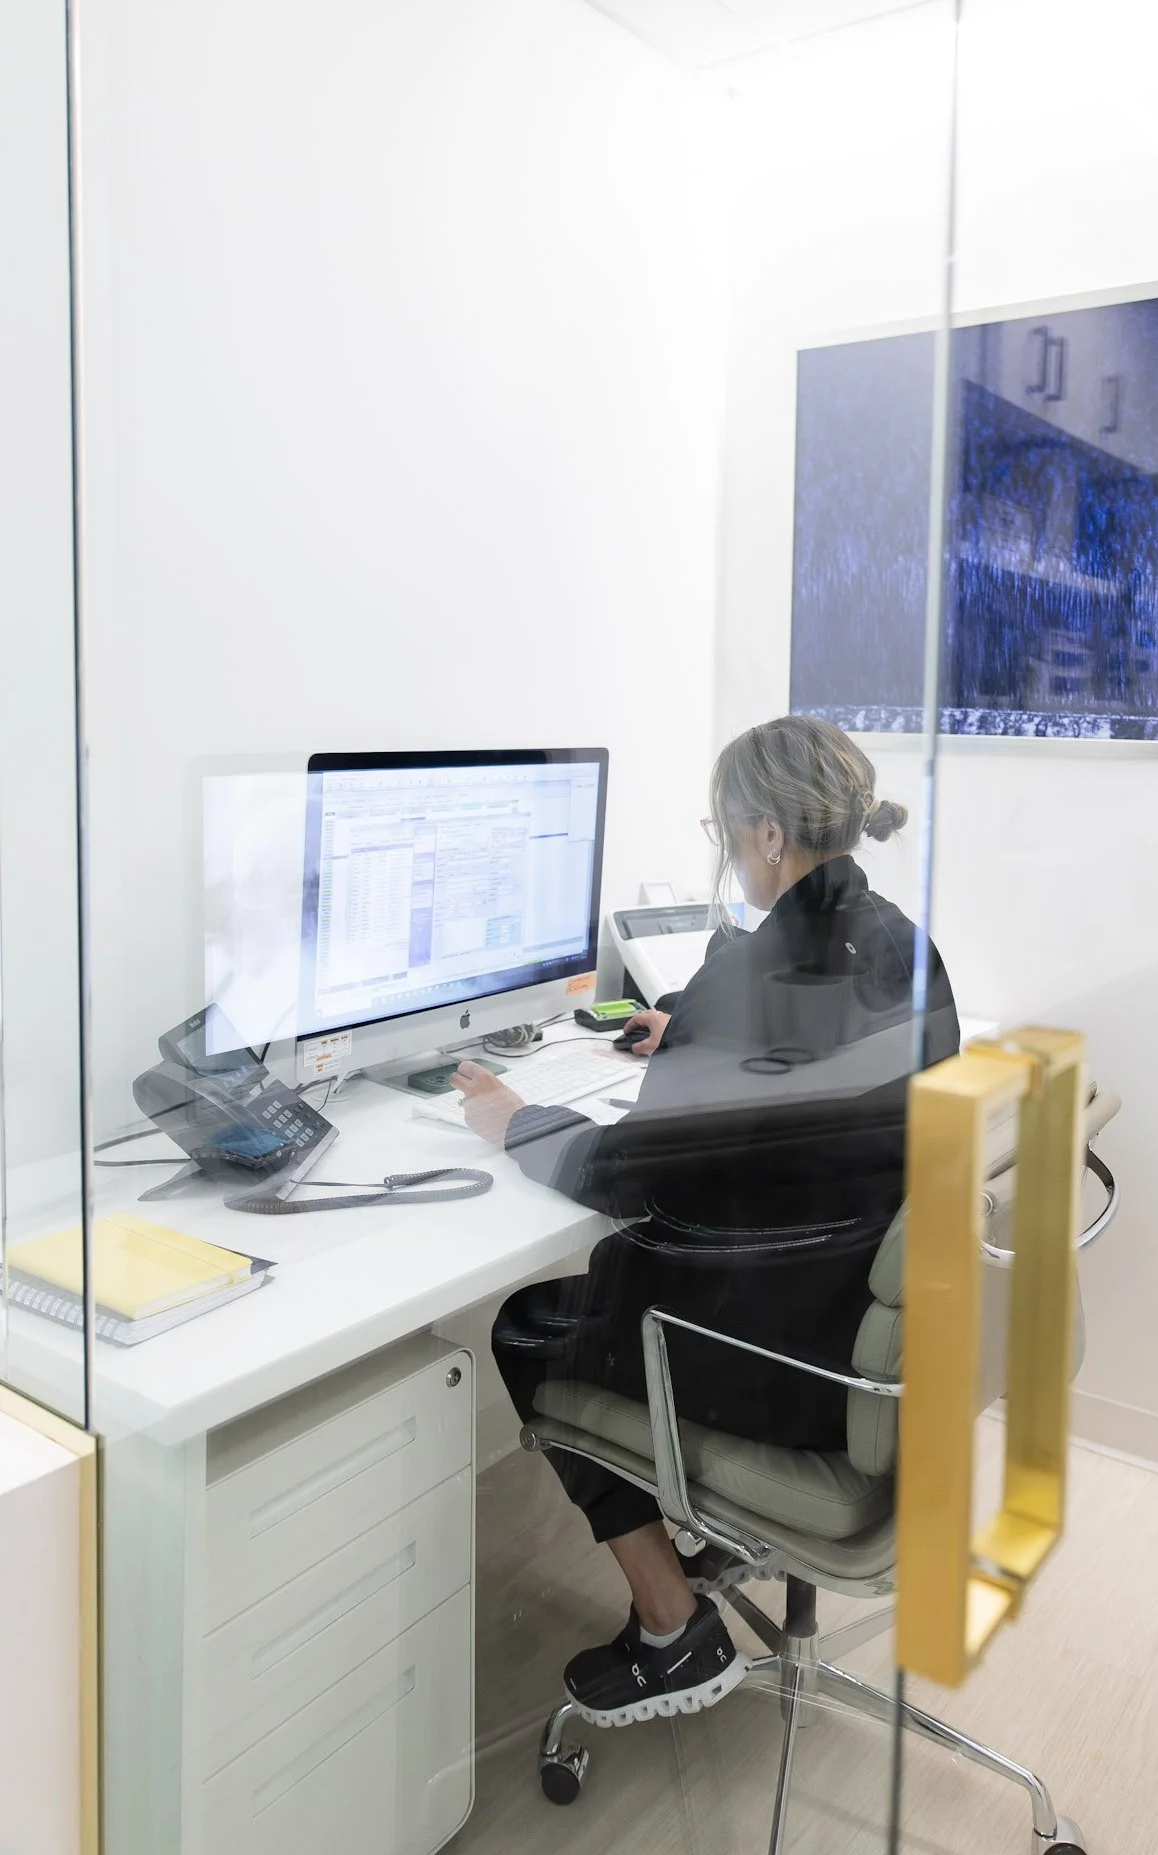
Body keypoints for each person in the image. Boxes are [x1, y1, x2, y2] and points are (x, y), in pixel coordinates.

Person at [454, 716, 958, 1728]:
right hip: (863, 1334)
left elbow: (626, 1176)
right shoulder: (902, 940)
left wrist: (518, 1120)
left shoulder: (751, 977)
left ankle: (671, 1621)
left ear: (769, 835)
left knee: (528, 1325)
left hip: (778, 1360)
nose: (727, 850)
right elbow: (816, 1066)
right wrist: (692, 1032)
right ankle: (705, 1538)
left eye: (726, 831)